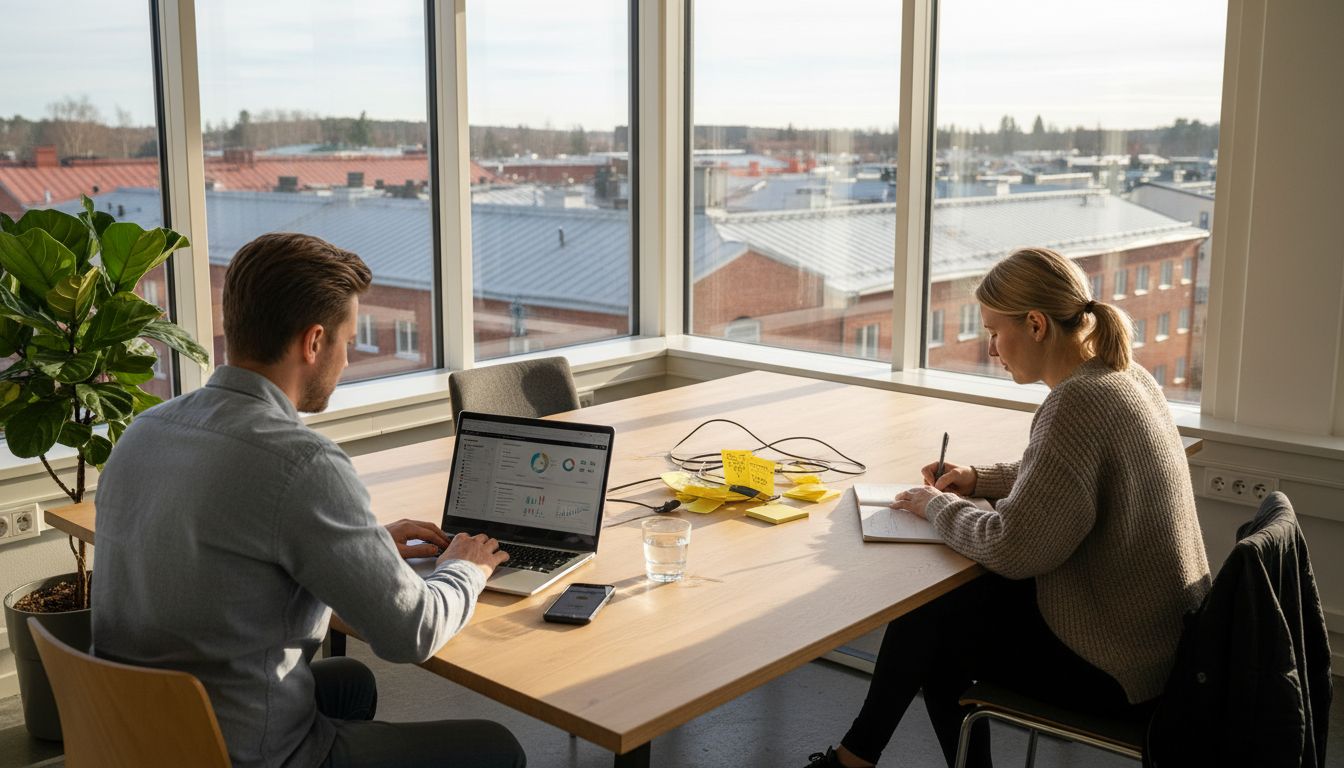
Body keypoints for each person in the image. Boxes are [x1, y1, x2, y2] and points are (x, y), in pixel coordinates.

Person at [92, 233, 526, 768]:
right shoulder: (301, 462)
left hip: (140, 732)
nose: (346, 361)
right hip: (239, 752)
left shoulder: (146, 428)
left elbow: (233, 547)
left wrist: (365, 546)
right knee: (496, 746)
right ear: (314, 342)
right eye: (347, 340)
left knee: (351, 682)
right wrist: (465, 568)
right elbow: (411, 633)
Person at [806, 247, 1212, 768]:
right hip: (1161, 645)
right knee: (939, 617)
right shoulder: (1124, 377)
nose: (992, 347)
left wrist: (935, 507)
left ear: (1037, 324)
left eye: (995, 331)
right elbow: (1062, 475)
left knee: (935, 626)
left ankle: (852, 761)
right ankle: (854, 759)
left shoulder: (1076, 402)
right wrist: (977, 479)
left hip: (1121, 667)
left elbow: (1014, 548)